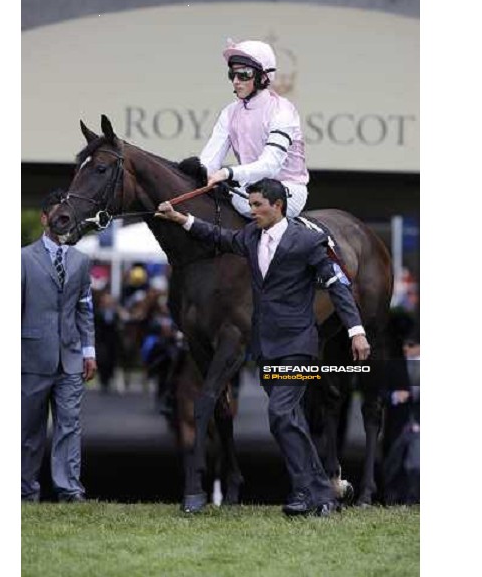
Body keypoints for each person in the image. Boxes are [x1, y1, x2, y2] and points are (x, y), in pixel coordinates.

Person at [156, 178, 371, 517]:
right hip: (265, 345)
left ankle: (304, 491)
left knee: (281, 414)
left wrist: (356, 330)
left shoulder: (308, 240)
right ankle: (324, 492)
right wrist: (181, 219)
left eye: (257, 205)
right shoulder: (252, 237)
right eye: (251, 205)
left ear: (277, 206)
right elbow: (219, 237)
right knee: (291, 419)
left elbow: (337, 285)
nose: (251, 211)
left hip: (298, 344)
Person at [21, 190, 97, 502]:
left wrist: (88, 351)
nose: (64, 220)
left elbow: (84, 307)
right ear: (44, 218)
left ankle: (69, 490)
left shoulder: (80, 260)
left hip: (71, 358)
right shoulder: (22, 259)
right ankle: (25, 490)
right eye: (58, 214)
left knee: (70, 426)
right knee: (29, 431)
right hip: (30, 358)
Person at [200, 39, 310, 219]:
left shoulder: (283, 111)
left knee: (250, 200)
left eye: (244, 74)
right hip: (248, 191)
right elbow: (209, 160)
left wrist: (228, 172)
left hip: (286, 191)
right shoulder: (229, 112)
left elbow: (270, 166)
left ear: (264, 77)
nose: (235, 81)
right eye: (232, 74)